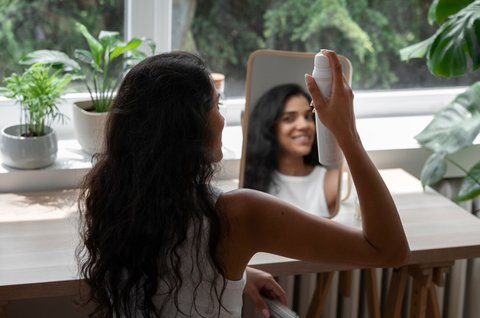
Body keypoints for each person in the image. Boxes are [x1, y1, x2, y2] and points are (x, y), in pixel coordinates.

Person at [77, 50, 410, 318]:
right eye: (216, 105)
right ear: (189, 128)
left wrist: (238, 274)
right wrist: (347, 134)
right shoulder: (239, 214)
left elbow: (171, 272)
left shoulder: (113, 198)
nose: (222, 118)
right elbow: (389, 250)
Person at [244, 83, 339, 217]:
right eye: (289, 118)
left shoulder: (331, 181)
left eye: (308, 117)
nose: (304, 125)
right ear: (270, 128)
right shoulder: (251, 184)